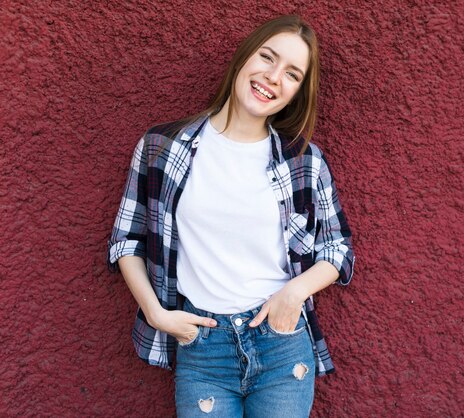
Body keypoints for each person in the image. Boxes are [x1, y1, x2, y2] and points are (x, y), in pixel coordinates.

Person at [107, 15, 354, 418]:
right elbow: (126, 240)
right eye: (267, 58)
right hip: (203, 347)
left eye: (292, 73)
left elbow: (337, 248)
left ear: (296, 93)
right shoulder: (161, 147)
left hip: (281, 342)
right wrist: (156, 313)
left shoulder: (305, 161)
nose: (273, 77)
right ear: (244, 58)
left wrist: (293, 294)